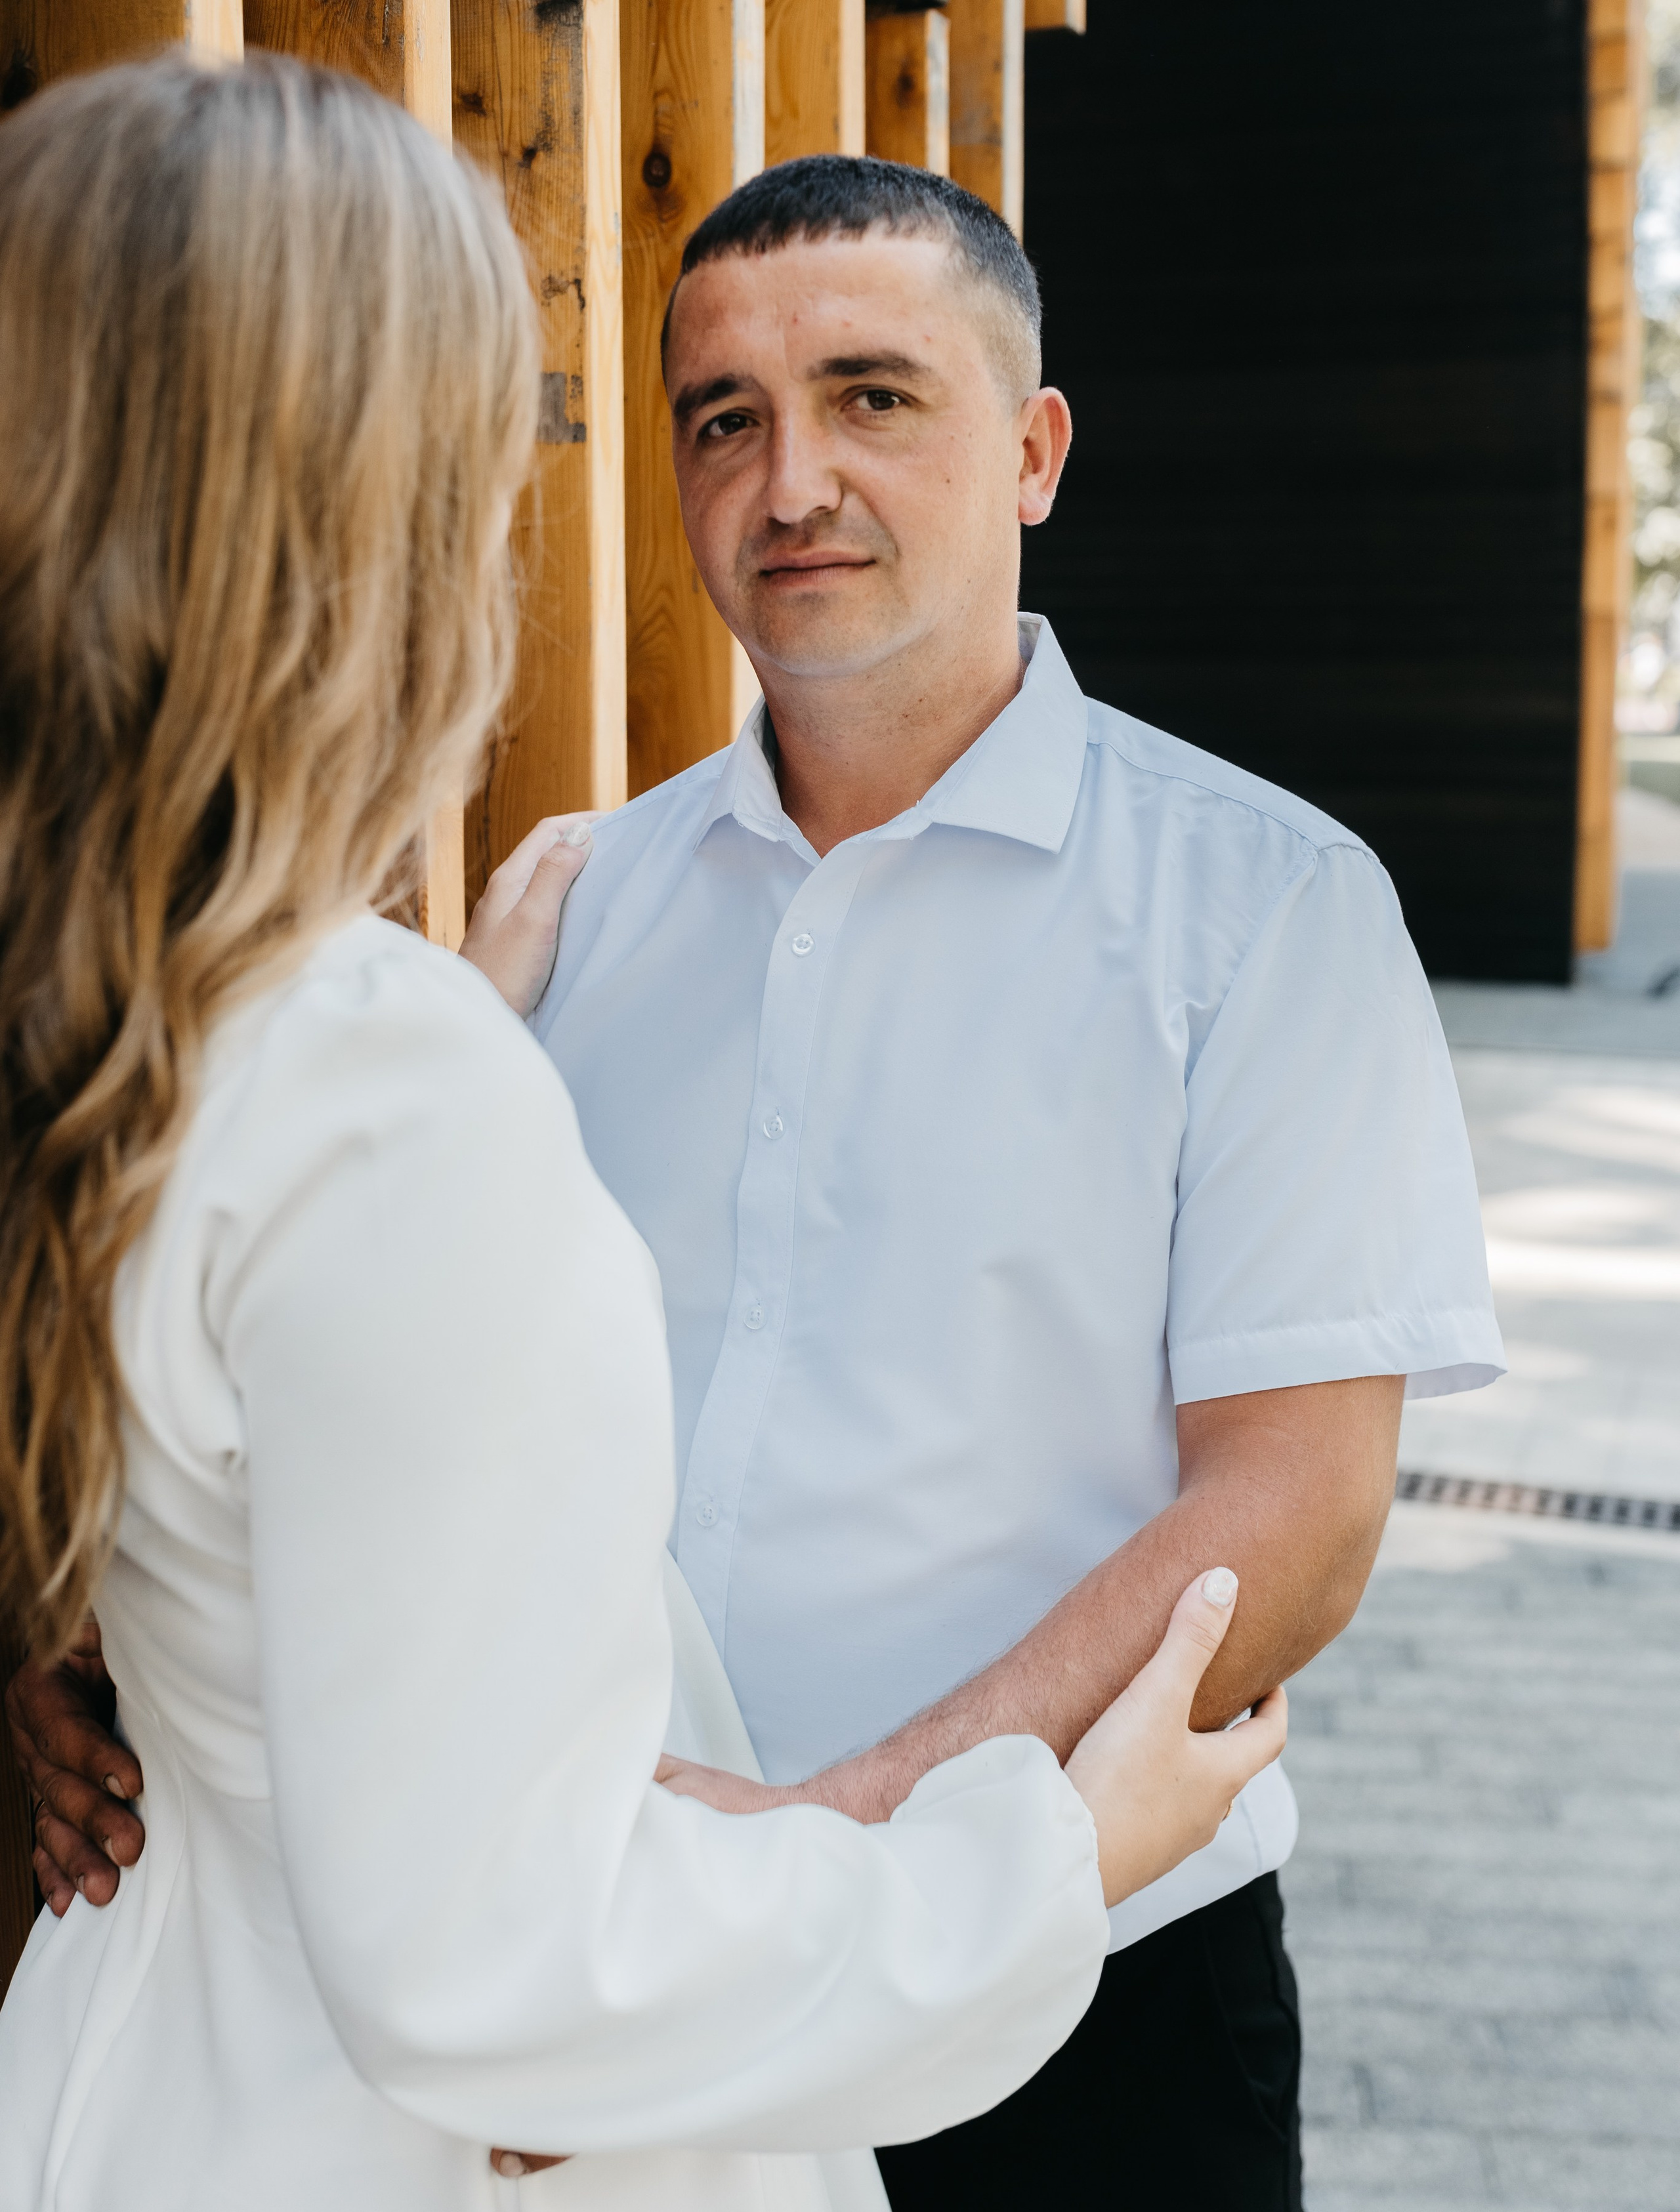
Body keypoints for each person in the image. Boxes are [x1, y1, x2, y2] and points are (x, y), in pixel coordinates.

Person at [9, 148, 1501, 2203]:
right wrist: (116, 1650)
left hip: (1072, 1997)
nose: (790, 478)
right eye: (726, 420)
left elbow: (1297, 1514)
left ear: (1038, 448)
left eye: (875, 397)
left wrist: (839, 1845)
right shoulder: (556, 917)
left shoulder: (1271, 910)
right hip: (576, 2020)